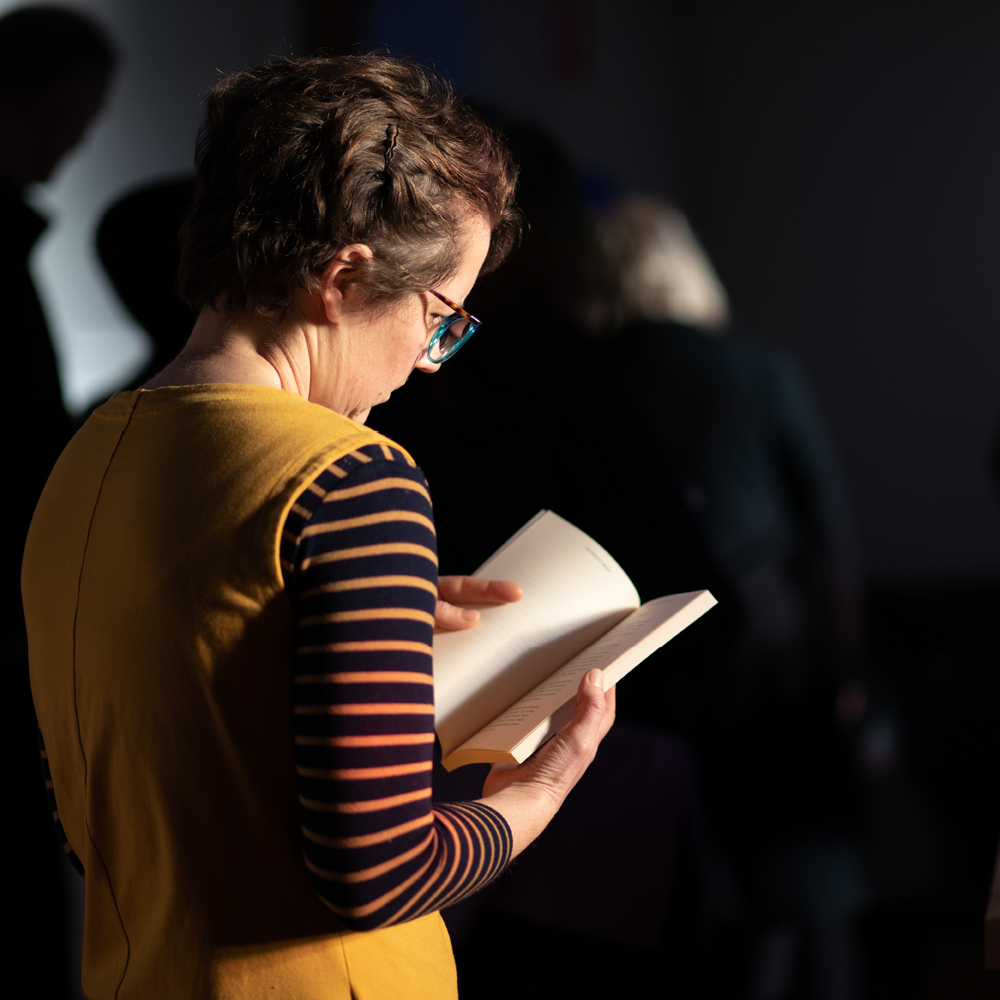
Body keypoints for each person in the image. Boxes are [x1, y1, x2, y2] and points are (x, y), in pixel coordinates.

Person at [23, 55, 615, 999]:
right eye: (440, 318)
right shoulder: (351, 479)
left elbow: (105, 818)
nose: (429, 363)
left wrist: (337, 635)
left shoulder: (87, 456)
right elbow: (379, 871)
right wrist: (534, 798)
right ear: (342, 277)